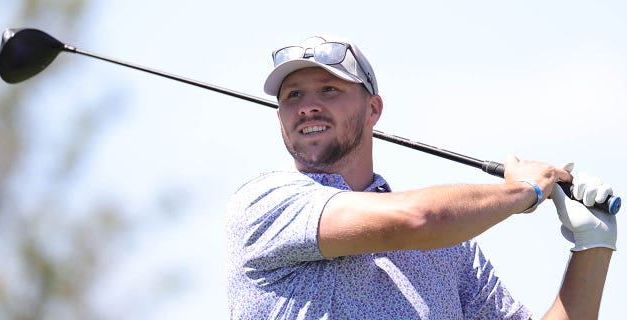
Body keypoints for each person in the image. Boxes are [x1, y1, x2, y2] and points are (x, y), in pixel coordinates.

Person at [225, 35, 617, 319]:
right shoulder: (267, 203)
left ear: (373, 110)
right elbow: (417, 219)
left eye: (329, 90)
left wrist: (592, 246)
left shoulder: (450, 247)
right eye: (293, 96)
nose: (308, 107)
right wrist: (523, 191)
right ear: (280, 117)